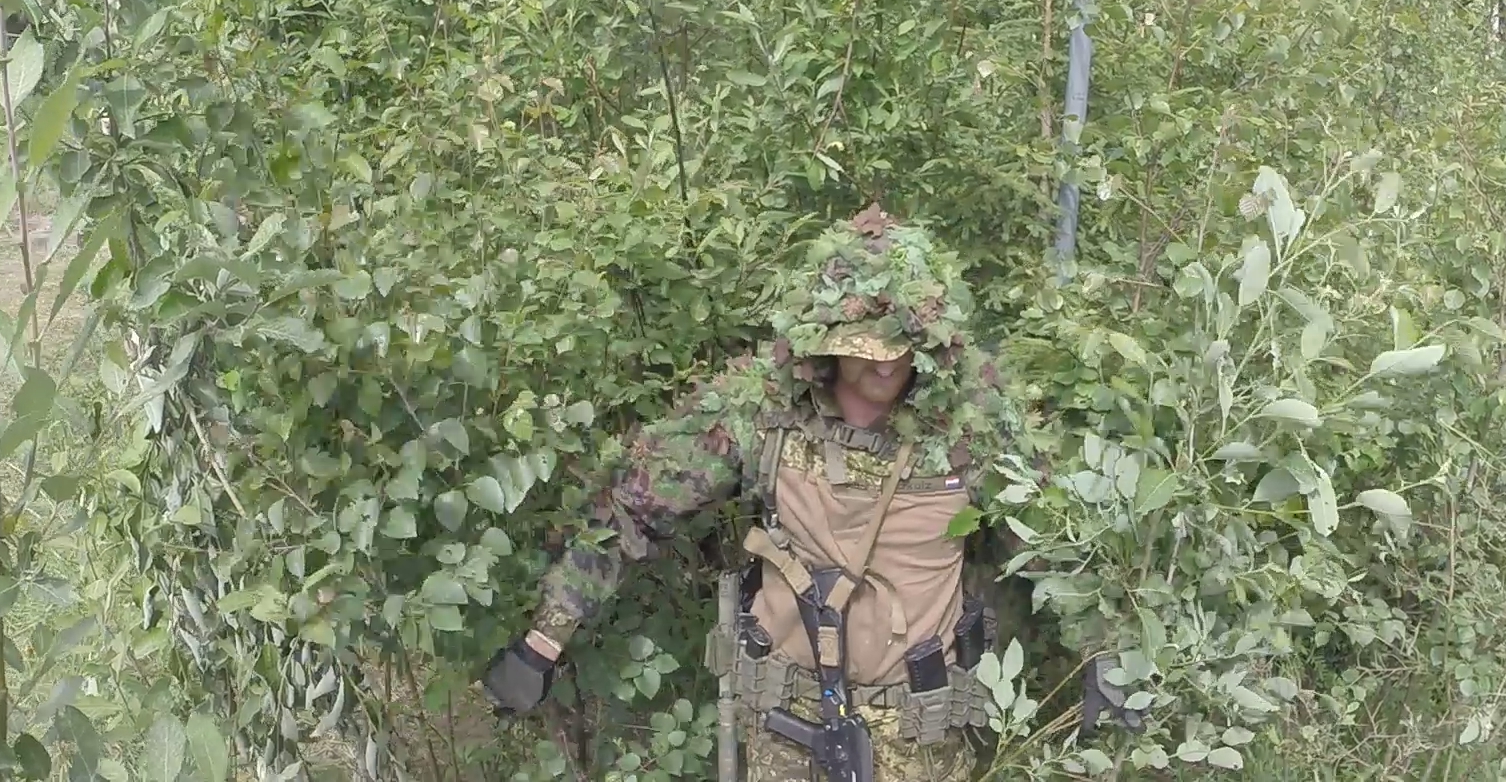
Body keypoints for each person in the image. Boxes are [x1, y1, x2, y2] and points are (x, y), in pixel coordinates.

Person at [480, 205, 1140, 780]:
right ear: (823, 342)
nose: (886, 362)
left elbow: (1060, 544)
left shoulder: (973, 422)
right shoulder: (764, 409)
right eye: (866, 347)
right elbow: (632, 505)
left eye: (901, 346)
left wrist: (1106, 658)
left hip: (922, 737)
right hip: (784, 728)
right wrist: (543, 643)